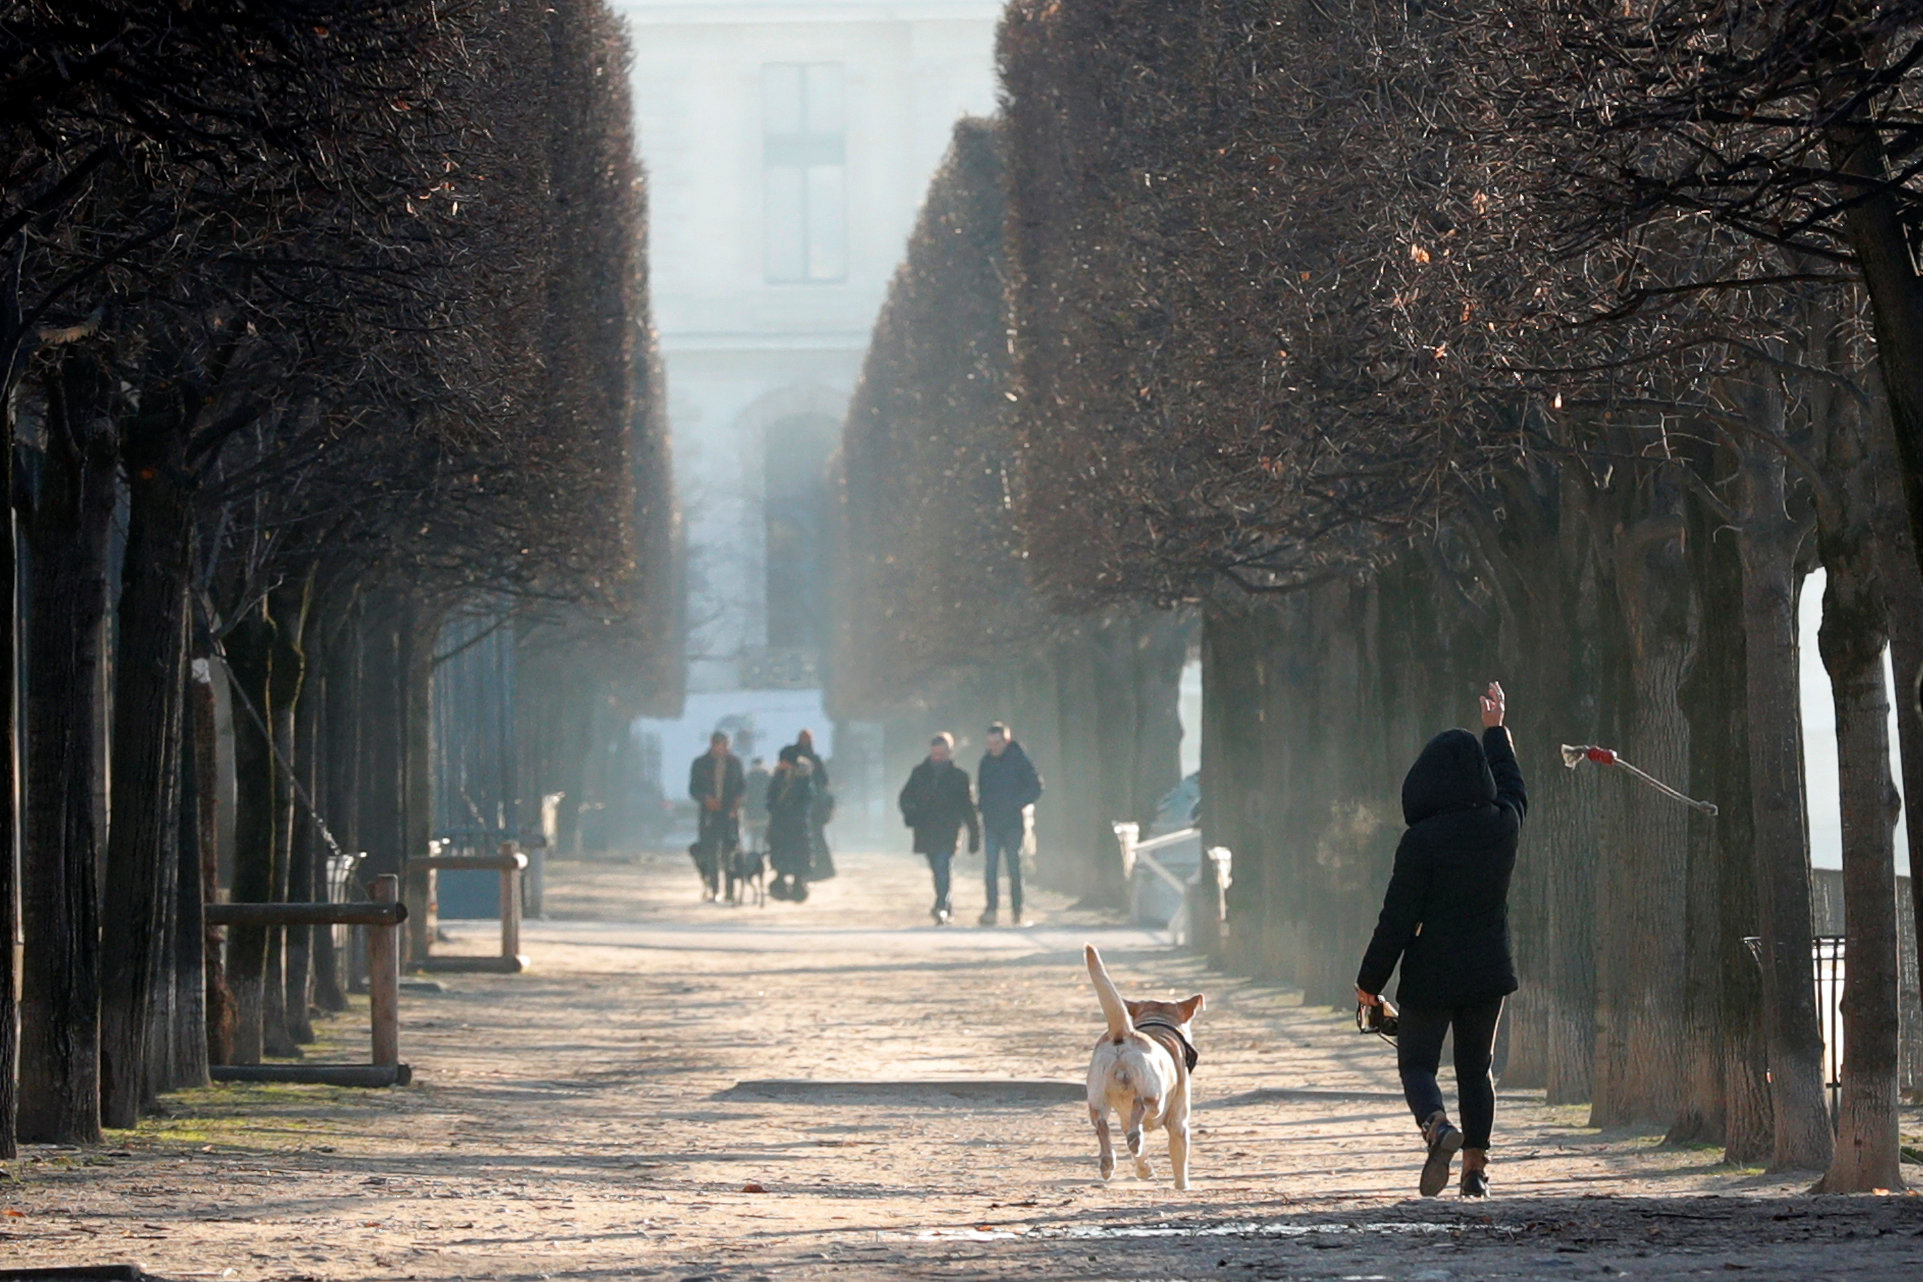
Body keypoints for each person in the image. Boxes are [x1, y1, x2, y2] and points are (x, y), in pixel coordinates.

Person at [1355, 682, 1526, 1200]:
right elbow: (1515, 787)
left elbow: (1397, 919)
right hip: (1488, 970)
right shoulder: (1503, 825)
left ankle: (1436, 1127)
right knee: (1477, 1068)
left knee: (1416, 1063)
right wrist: (1496, 733)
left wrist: (1369, 982)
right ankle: (1476, 1169)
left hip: (1431, 972)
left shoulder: (1420, 841)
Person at [899, 732, 980, 925]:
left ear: (950, 752)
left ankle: (941, 905)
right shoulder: (919, 773)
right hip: (926, 829)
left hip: (949, 829)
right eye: (935, 754)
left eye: (942, 754)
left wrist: (974, 833)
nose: (938, 758)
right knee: (936, 868)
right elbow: (905, 798)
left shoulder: (960, 777)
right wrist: (911, 815)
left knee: (943, 866)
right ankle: (944, 903)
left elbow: (967, 807)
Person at [975, 721, 1043, 926]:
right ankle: (991, 910)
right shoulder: (985, 762)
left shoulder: (1019, 760)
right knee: (991, 868)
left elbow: (1036, 787)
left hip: (1013, 823)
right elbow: (982, 790)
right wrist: (982, 807)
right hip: (992, 823)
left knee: (1014, 867)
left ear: (1006, 741)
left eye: (996, 743)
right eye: (989, 743)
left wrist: (1016, 804)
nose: (993, 748)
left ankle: (1017, 911)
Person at [687, 731, 745, 902]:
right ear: (713, 744)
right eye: (721, 744)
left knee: (730, 852)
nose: (725, 748)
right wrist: (706, 799)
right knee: (710, 852)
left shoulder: (735, 763)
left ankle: (730, 891)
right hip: (709, 813)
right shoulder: (700, 764)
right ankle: (713, 889)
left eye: (727, 744)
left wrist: (739, 799)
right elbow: (693, 788)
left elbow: (742, 785)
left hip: (729, 812)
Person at [765, 745, 817, 902]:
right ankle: (780, 884)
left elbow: (807, 800)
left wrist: (794, 812)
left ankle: (797, 887)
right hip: (780, 823)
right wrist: (773, 809)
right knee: (781, 854)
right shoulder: (778, 776)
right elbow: (770, 796)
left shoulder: (803, 777)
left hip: (797, 824)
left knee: (799, 857)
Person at [790, 728, 836, 882]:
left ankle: (823, 868)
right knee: (814, 838)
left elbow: (823, 784)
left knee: (816, 838)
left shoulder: (810, 760)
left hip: (813, 807)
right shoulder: (809, 759)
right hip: (809, 806)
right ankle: (821, 868)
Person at [742, 757, 772, 855]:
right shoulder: (750, 778)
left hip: (761, 812)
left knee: (760, 836)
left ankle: (759, 855)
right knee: (757, 836)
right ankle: (757, 856)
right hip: (756, 812)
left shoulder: (750, 777)